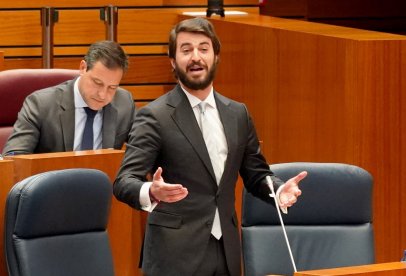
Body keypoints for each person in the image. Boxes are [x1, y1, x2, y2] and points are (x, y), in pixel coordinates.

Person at [113, 17, 307, 276]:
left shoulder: (238, 114)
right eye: (186, 50)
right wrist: (151, 190)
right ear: (173, 61)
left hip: (226, 252)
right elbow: (124, 181)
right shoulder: (155, 116)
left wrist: (279, 189)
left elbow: (256, 174)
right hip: (174, 256)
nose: (196, 57)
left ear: (216, 56)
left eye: (204, 48)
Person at [2, 40, 135, 156]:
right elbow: (14, 158)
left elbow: (145, 148)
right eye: (97, 83)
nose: (103, 95)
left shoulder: (124, 102)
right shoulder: (41, 105)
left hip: (104, 183)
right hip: (52, 183)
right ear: (83, 68)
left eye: (112, 87)